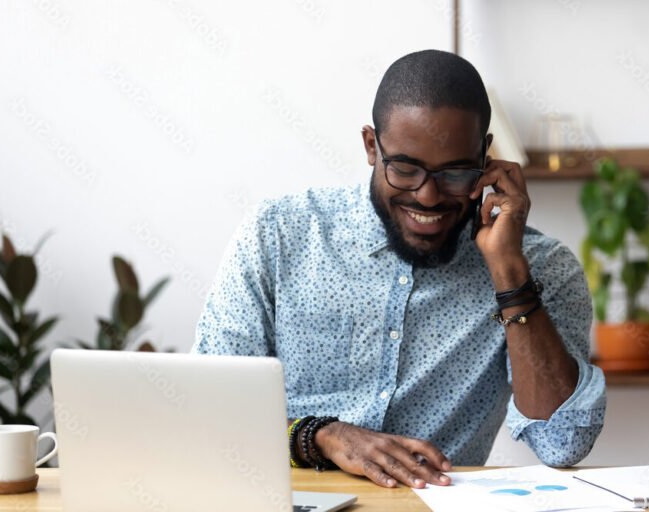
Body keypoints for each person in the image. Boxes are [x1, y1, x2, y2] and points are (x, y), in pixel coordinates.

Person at [193, 49, 605, 489]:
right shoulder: (277, 236)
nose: (428, 196)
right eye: (406, 169)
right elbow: (207, 411)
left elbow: (563, 443)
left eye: (455, 173)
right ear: (372, 146)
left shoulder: (541, 268)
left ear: (486, 158)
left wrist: (509, 274)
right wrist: (322, 437)